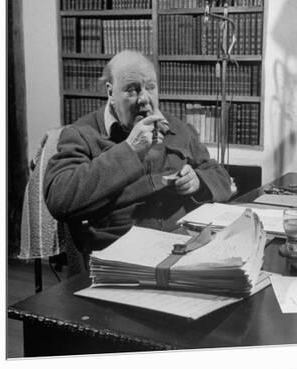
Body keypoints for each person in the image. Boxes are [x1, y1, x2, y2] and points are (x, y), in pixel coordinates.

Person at [43, 50, 232, 252]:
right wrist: (129, 150)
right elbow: (59, 199)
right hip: (117, 253)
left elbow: (222, 179)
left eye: (150, 87)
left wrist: (198, 182)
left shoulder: (178, 127)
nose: (144, 98)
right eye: (131, 90)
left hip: (180, 245)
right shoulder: (81, 134)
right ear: (110, 93)